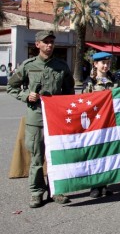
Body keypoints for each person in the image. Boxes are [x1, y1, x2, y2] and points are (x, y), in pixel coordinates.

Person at [7, 30, 75, 208]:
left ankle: (56, 190)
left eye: (52, 42)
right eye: (45, 42)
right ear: (37, 44)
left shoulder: (62, 66)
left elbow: (69, 93)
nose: (49, 45)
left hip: (56, 118)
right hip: (36, 117)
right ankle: (36, 192)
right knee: (37, 157)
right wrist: (25, 96)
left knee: (56, 156)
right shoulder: (28, 66)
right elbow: (11, 87)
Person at [82, 52, 117, 198]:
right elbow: (84, 103)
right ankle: (95, 185)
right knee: (96, 154)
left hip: (110, 123)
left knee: (108, 153)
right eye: (102, 63)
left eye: (108, 63)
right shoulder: (90, 82)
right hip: (95, 124)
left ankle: (105, 184)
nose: (105, 66)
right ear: (95, 64)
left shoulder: (114, 81)